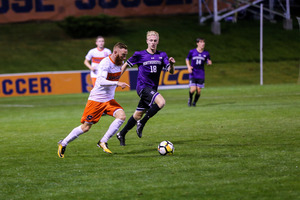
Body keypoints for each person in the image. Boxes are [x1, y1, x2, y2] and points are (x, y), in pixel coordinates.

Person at [58, 42, 129, 157]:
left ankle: (103, 141)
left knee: (121, 116)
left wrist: (127, 65)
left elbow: (117, 74)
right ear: (115, 52)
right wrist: (118, 83)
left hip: (109, 100)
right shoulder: (105, 62)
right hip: (96, 100)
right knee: (86, 127)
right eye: (123, 55)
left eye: (126, 55)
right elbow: (100, 81)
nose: (124, 57)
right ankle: (63, 143)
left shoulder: (119, 63)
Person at [116, 31, 175, 146]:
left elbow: (171, 71)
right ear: (147, 41)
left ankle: (121, 134)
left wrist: (172, 64)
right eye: (151, 40)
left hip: (152, 89)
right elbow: (126, 65)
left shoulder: (162, 55)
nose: (153, 43)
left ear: (157, 41)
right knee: (161, 102)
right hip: (142, 87)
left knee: (137, 114)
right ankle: (142, 123)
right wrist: (117, 79)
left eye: (155, 41)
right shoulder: (139, 54)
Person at [186, 38, 212, 107]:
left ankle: (194, 103)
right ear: (197, 43)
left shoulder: (206, 53)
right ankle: (190, 99)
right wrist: (188, 66)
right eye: (201, 42)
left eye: (203, 42)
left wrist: (209, 63)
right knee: (193, 89)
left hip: (201, 74)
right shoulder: (192, 51)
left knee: (199, 90)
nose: (203, 43)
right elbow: (187, 59)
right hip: (193, 73)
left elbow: (208, 61)